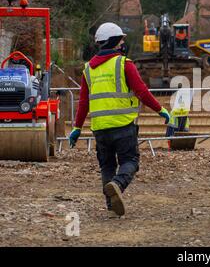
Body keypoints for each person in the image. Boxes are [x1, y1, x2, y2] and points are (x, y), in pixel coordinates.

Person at [69, 22, 171, 218]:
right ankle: (117, 185)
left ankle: (111, 203)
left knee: (107, 166)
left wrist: (77, 128)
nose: (124, 42)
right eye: (122, 39)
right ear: (115, 42)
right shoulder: (124, 63)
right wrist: (161, 110)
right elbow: (141, 91)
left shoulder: (88, 69)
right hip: (123, 125)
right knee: (131, 161)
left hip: (100, 129)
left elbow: (83, 102)